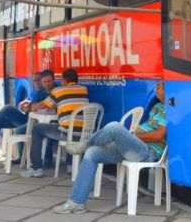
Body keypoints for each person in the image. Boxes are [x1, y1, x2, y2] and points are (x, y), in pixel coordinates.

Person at [53, 80, 166, 214]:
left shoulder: (170, 110)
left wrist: (133, 136)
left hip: (147, 152)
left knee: (114, 127)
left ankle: (85, 143)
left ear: (168, 91)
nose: (156, 88)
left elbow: (159, 135)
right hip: (135, 147)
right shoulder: (157, 107)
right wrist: (131, 136)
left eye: (159, 86)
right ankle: (77, 202)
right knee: (92, 153)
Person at [21, 68, 89, 178]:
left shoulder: (59, 91)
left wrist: (30, 107)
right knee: (71, 127)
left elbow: (41, 106)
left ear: (64, 80)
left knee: (37, 129)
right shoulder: (84, 90)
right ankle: (70, 165)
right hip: (84, 134)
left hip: (66, 134)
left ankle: (36, 168)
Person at [0, 70, 57, 161]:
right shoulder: (38, 91)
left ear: (54, 80)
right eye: (36, 80)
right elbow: (26, 105)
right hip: (26, 117)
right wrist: (26, 105)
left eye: (48, 81)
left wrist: (30, 106)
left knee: (8, 108)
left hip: (34, 121)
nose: (39, 83)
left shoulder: (54, 91)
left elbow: (36, 107)